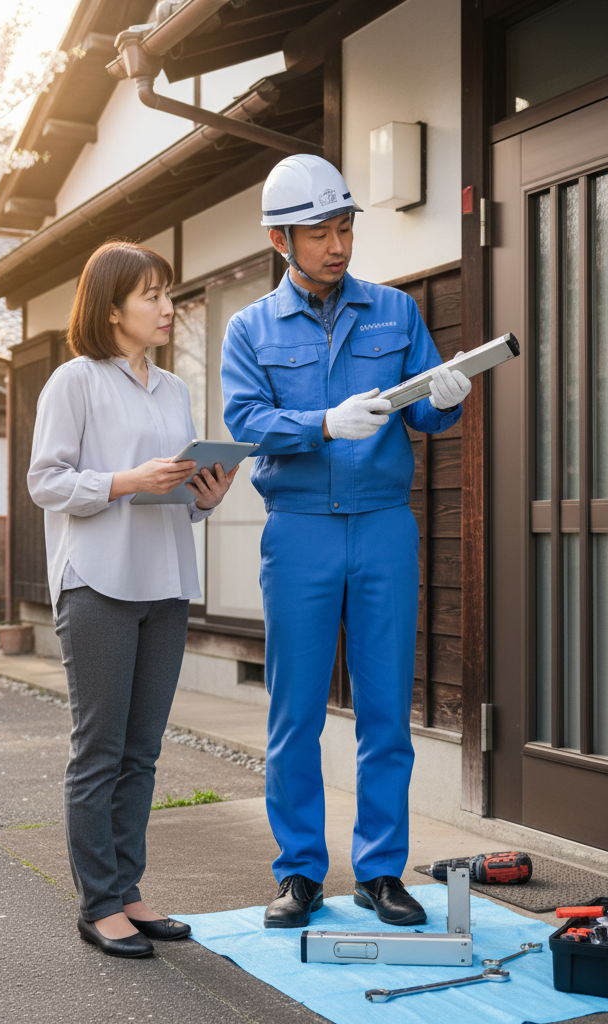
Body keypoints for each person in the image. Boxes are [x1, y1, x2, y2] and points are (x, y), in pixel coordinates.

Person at [220, 155, 472, 929]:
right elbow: (245, 422)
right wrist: (322, 423)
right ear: (279, 239)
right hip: (299, 532)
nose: (337, 244)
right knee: (294, 709)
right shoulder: (250, 328)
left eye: (345, 226)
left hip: (385, 526)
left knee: (387, 707)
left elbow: (426, 414)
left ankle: (380, 872)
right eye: (319, 232)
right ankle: (299, 872)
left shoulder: (396, 312)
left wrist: (448, 398)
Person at [28, 241, 237, 957]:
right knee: (100, 750)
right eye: (151, 294)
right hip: (99, 584)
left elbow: (174, 493)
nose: (166, 306)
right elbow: (46, 482)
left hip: (167, 582)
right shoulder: (74, 381)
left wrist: (205, 496)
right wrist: (124, 481)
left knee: (142, 753)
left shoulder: (175, 390)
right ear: (111, 308)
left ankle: (128, 888)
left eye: (167, 292)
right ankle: (98, 904)